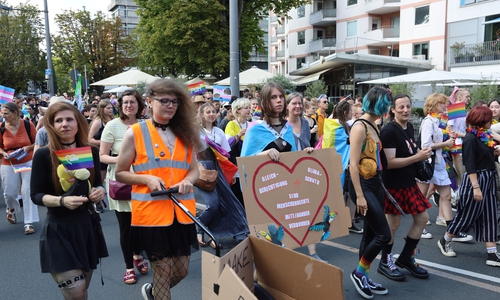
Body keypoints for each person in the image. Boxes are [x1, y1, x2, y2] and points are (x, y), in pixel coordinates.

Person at [115, 79, 202, 300]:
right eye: (164, 100)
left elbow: (194, 171)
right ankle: (158, 292)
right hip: (152, 214)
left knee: (181, 271)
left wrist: (189, 181)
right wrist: (146, 179)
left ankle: (152, 292)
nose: (170, 105)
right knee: (162, 275)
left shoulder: (186, 133)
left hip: (182, 212)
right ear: (149, 102)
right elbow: (120, 173)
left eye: (174, 101)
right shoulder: (135, 132)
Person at [30, 101, 108, 299]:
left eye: (69, 119)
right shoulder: (43, 155)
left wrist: (99, 191)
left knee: (82, 294)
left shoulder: (91, 151)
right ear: (52, 125)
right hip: (59, 230)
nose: (64, 124)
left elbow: (98, 183)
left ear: (78, 122)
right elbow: (36, 195)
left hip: (86, 228)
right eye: (58, 120)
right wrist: (62, 202)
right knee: (76, 293)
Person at [379, 94, 433, 281]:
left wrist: (420, 154)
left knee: (423, 218)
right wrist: (417, 158)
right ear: (392, 110)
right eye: (401, 107)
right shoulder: (388, 131)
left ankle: (405, 258)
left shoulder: (409, 126)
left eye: (408, 106)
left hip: (409, 182)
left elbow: (410, 149)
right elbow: (390, 163)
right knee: (392, 226)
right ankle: (385, 262)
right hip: (393, 185)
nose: (406, 110)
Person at [437, 106, 500, 267]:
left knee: (490, 215)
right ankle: (445, 240)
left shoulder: (484, 136)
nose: (490, 121)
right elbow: (470, 165)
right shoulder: (470, 139)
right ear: (480, 120)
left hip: (488, 178)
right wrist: (476, 187)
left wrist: (494, 153)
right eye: (488, 118)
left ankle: (492, 253)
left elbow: (484, 158)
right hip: (476, 179)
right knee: (467, 215)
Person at [99, 89, 149, 285]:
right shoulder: (112, 126)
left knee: (141, 226)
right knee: (126, 228)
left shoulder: (146, 125)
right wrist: (121, 159)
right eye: (126, 102)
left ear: (139, 105)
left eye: (133, 102)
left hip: (143, 182)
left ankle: (137, 255)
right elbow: (102, 156)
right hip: (121, 182)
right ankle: (129, 266)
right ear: (120, 105)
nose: (129, 105)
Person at [348, 87, 392, 298]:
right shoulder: (359, 127)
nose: (389, 107)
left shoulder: (373, 125)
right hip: (363, 185)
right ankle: (359, 273)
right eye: (388, 103)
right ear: (380, 104)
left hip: (375, 183)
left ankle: (363, 275)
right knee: (384, 234)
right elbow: (352, 165)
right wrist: (359, 195)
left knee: (372, 233)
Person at [418, 93, 473, 242]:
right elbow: (426, 146)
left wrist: (449, 138)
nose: (445, 106)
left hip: (440, 163)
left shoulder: (439, 121)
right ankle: (419, 227)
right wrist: (445, 144)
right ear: (434, 104)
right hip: (429, 163)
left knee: (446, 196)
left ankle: (452, 230)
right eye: (442, 103)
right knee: (422, 197)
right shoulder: (429, 122)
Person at [196, 102, 249, 247]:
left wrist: (230, 174)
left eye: (213, 112)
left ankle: (220, 234)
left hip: (219, 168)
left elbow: (226, 154)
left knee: (228, 202)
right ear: (201, 114)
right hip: (202, 169)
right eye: (208, 112)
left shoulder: (219, 131)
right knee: (213, 204)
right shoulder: (196, 132)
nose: (211, 114)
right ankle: (198, 228)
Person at [285, 92, 324, 261]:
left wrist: (310, 150)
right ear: (287, 105)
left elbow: (309, 144)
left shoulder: (306, 124)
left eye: (300, 103)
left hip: (303, 170)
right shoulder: (281, 126)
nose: (298, 106)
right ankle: (286, 249)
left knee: (309, 210)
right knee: (288, 211)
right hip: (287, 173)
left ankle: (313, 252)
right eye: (294, 103)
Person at [1, 101, 39, 235]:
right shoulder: (1, 127)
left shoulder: (28, 125)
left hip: (26, 161)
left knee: (27, 190)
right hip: (8, 163)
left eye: (6, 113)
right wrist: (3, 153)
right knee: (9, 193)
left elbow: (37, 142)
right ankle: (11, 208)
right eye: (2, 113)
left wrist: (27, 148)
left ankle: (28, 222)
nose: (3, 116)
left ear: (15, 113)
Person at [224, 98, 252, 206]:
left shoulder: (252, 124)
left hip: (250, 164)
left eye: (249, 107)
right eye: (246, 108)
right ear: (238, 110)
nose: (249, 110)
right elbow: (227, 146)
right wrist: (238, 135)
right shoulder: (231, 124)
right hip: (237, 164)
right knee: (238, 196)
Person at [89, 99, 115, 213]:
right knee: (100, 179)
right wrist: (105, 142)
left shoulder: (113, 120)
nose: (110, 110)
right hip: (101, 153)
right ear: (102, 109)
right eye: (108, 108)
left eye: (111, 107)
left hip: (113, 153)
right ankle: (97, 202)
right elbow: (89, 139)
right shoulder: (98, 122)